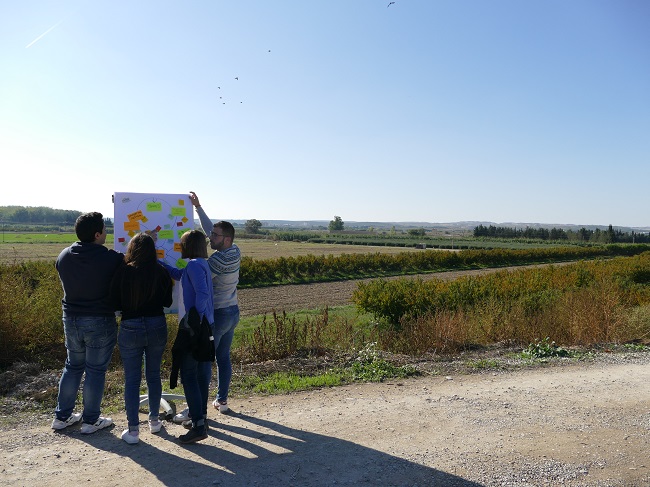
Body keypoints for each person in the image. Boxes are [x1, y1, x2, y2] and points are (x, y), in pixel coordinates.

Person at [52, 212, 124, 434]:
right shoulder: (110, 258)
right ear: (97, 234)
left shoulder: (64, 255)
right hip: (100, 320)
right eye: (104, 229)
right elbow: (129, 263)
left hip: (71, 319)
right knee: (95, 371)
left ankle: (62, 417)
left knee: (73, 367)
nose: (106, 233)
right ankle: (90, 421)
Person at [173, 191, 240, 421]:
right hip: (233, 311)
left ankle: (197, 410)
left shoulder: (217, 261)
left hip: (219, 314)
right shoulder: (234, 249)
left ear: (226, 240)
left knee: (203, 362)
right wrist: (198, 207)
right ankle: (221, 400)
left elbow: (196, 281)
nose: (210, 237)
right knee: (223, 358)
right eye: (211, 235)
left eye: (215, 236)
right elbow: (214, 228)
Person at [110, 233, 173, 445]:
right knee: (154, 375)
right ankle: (155, 422)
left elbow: (115, 303)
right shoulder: (161, 271)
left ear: (132, 249)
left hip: (130, 328)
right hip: (157, 325)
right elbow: (167, 301)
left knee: (132, 380)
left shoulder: (123, 272)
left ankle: (133, 430)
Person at [160, 230, 214, 444]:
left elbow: (202, 294)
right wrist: (161, 263)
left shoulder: (193, 265)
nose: (179, 246)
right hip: (205, 326)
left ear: (187, 246)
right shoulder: (199, 264)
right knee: (200, 374)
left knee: (189, 375)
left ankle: (199, 425)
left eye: (181, 243)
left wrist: (194, 317)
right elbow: (179, 275)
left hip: (195, 327)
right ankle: (201, 420)